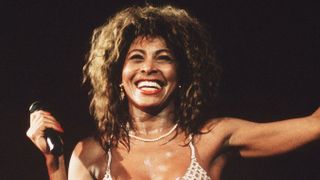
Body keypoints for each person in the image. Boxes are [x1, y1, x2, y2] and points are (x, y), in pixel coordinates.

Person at [26, 5, 320, 180]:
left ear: (181, 76)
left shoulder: (212, 139)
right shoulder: (91, 152)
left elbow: (314, 125)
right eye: (137, 58)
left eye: (163, 58)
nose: (149, 68)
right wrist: (56, 164)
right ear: (118, 77)